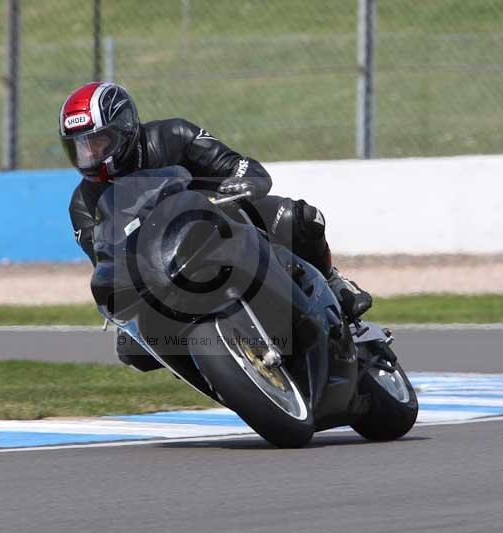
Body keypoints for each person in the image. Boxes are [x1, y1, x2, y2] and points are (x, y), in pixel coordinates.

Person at [60, 81, 371, 369]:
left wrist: (240, 183)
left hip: (221, 227)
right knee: (133, 348)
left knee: (298, 218)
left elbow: (241, 166)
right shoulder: (83, 205)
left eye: (99, 143)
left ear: (124, 128)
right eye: (81, 148)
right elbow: (107, 263)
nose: (90, 155)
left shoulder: (174, 135)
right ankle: (220, 372)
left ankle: (333, 282)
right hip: (162, 271)